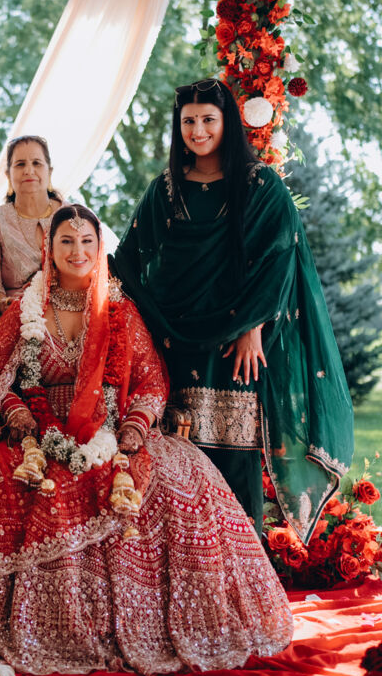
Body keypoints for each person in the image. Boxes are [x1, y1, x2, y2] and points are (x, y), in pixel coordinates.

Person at [0, 205, 292, 675]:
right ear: (49, 248)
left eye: (87, 241)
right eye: (66, 241)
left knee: (182, 483)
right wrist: (18, 412)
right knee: (12, 482)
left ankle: (156, 620)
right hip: (37, 433)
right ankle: (46, 625)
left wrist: (136, 425)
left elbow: (150, 381)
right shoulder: (26, 309)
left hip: (112, 428)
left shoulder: (119, 309)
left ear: (100, 247)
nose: (77, 251)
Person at [112, 78, 353, 543]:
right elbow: (128, 260)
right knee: (177, 456)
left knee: (233, 455)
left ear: (228, 124)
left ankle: (244, 564)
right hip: (173, 342)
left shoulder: (259, 185)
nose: (198, 130)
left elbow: (278, 260)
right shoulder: (165, 189)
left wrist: (253, 327)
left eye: (208, 119)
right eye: (188, 121)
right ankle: (185, 561)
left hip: (235, 344)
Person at [0, 135, 63, 346]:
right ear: (8, 175)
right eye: (20, 164)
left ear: (49, 172)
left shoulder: (72, 215)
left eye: (36, 163)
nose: (29, 170)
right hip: (14, 316)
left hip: (67, 313)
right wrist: (4, 303)